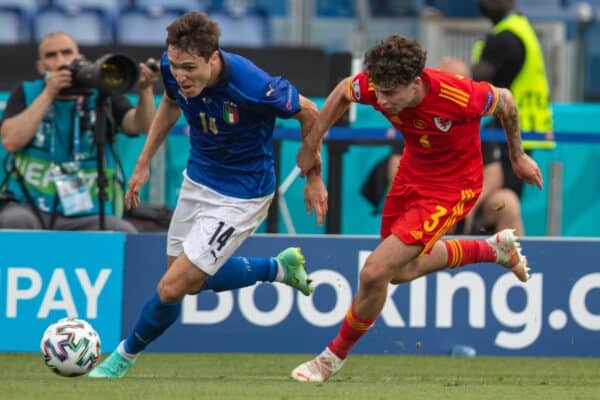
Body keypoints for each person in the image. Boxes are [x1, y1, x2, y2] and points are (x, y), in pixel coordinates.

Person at [291, 34, 542, 383]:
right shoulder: (379, 85)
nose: (380, 100)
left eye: (390, 94)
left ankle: (330, 358)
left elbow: (507, 101)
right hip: (412, 172)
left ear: (415, 83)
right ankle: (492, 248)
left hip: (454, 186)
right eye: (378, 91)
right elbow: (345, 91)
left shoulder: (458, 94)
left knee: (373, 272)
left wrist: (517, 156)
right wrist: (312, 144)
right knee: (400, 272)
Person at [88, 11, 318, 378]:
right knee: (188, 283)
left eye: (190, 68)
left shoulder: (254, 85)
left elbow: (309, 111)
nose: (180, 75)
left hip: (242, 195)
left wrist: (313, 174)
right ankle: (278, 267)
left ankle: (121, 359)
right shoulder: (171, 65)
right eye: (176, 65)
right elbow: (170, 102)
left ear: (213, 58)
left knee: (170, 287)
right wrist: (143, 161)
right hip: (198, 181)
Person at [0, 32, 160, 232]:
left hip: (87, 210)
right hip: (30, 204)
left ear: (80, 58)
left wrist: (145, 89)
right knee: (13, 222)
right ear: (41, 67)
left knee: (121, 230)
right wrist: (49, 93)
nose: (61, 61)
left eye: (67, 53)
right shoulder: (26, 92)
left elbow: (141, 125)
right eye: (51, 55)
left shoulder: (101, 94)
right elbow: (11, 141)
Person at [470, 0, 554, 231]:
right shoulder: (521, 29)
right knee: (502, 202)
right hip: (517, 132)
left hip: (507, 134)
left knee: (501, 202)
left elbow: (473, 84)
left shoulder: (505, 38)